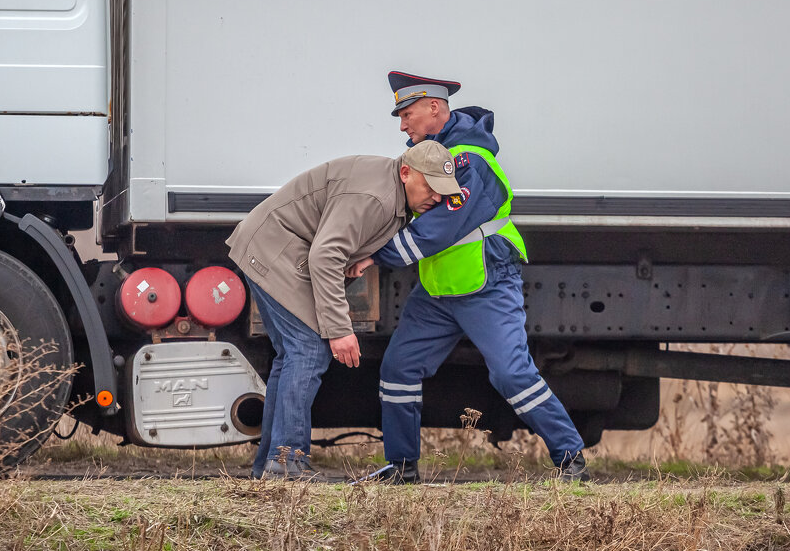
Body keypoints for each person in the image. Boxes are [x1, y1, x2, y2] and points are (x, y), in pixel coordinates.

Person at [350, 71, 589, 483]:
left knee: (512, 374)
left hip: (487, 283)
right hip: (440, 289)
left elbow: (439, 228)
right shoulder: (428, 156)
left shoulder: (467, 159)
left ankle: (571, 459)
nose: (402, 125)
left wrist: (372, 255)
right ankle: (402, 467)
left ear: (435, 108)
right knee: (399, 368)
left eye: (407, 114)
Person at [227, 139, 461, 479]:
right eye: (431, 187)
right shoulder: (376, 198)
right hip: (274, 251)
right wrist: (339, 331)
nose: (437, 198)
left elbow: (334, 244)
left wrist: (355, 256)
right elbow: (324, 255)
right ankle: (288, 463)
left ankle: (271, 463)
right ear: (406, 172)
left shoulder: (393, 191)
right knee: (307, 352)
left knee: (292, 354)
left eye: (443, 192)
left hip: (274, 247)